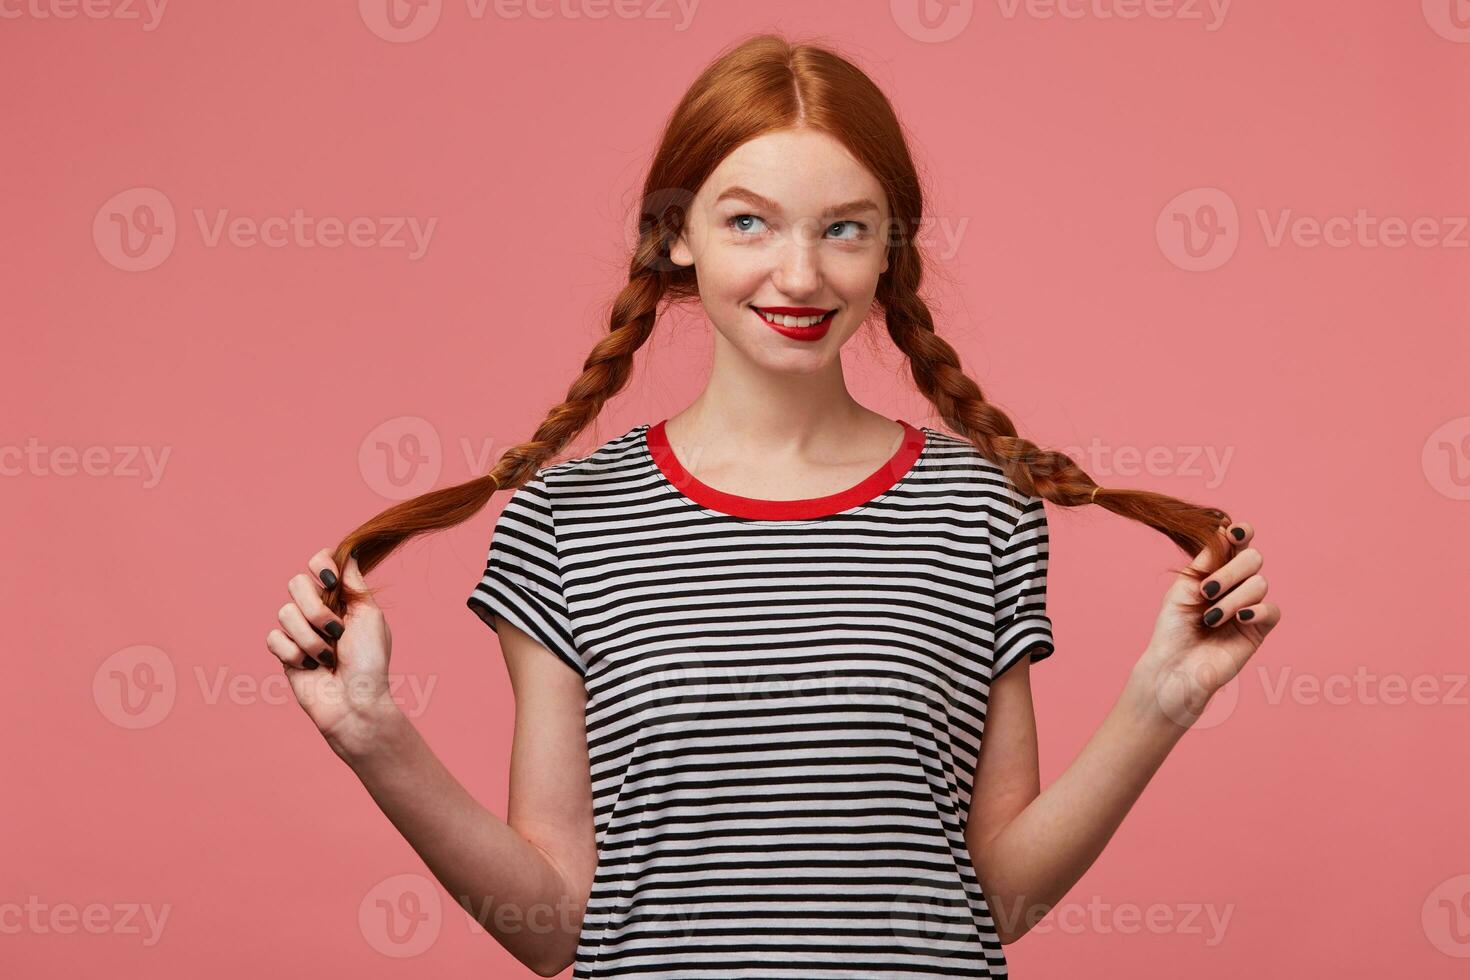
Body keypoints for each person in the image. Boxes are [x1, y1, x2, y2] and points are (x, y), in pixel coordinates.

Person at [264, 32, 1280, 979]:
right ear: (676, 238)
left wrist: (1162, 701)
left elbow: (992, 899)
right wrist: (372, 733)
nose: (800, 273)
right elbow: (556, 925)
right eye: (748, 220)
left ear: (891, 251)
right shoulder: (565, 521)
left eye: (845, 229)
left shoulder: (979, 511)